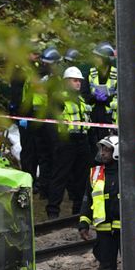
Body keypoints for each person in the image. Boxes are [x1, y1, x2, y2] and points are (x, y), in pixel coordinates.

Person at [77, 136, 123, 270]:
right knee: (105, 266)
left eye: (107, 150)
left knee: (132, 266)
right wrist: (84, 223)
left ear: (116, 152)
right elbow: (88, 199)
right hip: (104, 229)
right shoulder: (95, 173)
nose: (102, 153)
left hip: (125, 228)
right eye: (102, 150)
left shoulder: (127, 170)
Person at [44, 65, 92, 220]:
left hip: (81, 143)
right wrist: (57, 143)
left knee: (81, 179)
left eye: (79, 81)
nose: (78, 83)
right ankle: (53, 213)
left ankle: (78, 212)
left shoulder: (81, 99)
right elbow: (50, 124)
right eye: (75, 80)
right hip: (66, 143)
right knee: (59, 177)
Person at [17, 47, 61, 195]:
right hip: (45, 119)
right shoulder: (51, 78)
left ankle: (42, 187)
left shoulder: (36, 76)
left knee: (42, 154)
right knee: (46, 154)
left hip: (38, 118)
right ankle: (44, 187)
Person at [87, 43, 118, 144]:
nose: (95, 59)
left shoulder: (117, 74)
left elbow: (120, 97)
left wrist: (107, 99)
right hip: (94, 115)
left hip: (110, 117)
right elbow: (84, 95)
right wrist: (94, 97)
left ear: (105, 59)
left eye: (98, 57)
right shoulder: (91, 73)